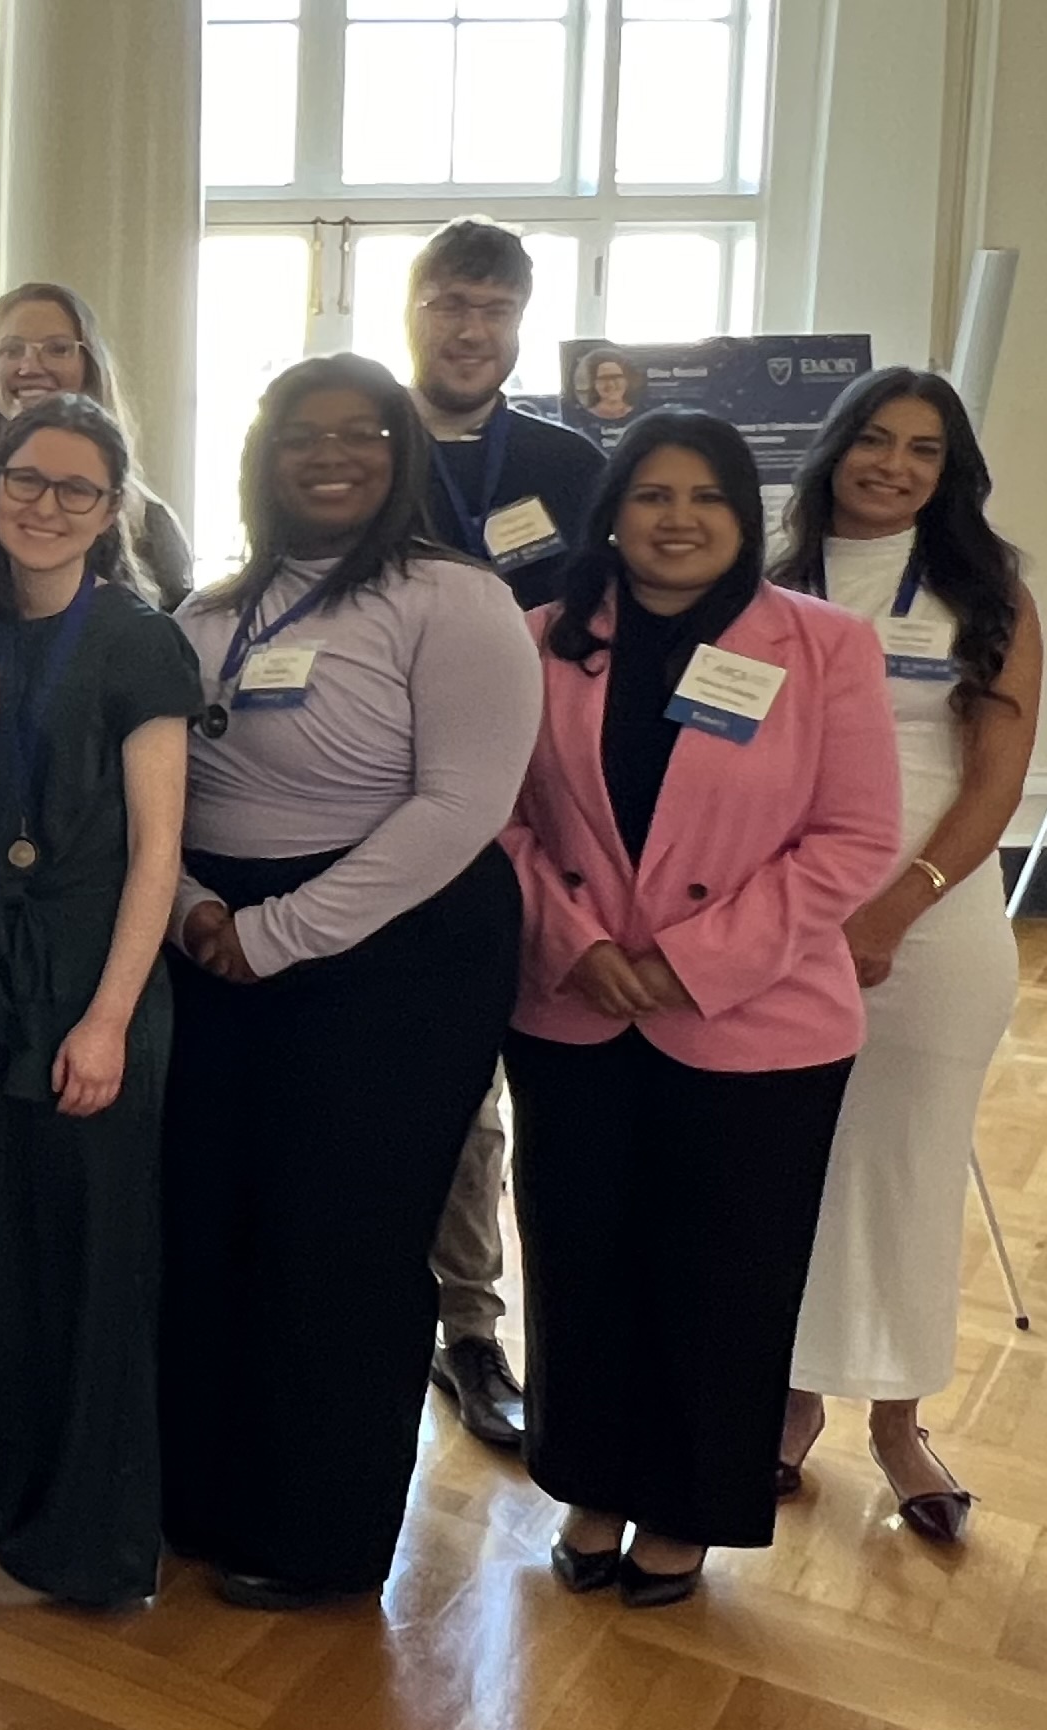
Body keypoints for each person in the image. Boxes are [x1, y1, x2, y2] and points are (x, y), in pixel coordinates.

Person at [159, 354, 540, 1611]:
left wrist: (277, 932)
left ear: (398, 454)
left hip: (395, 951)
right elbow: (154, 795)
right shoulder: (210, 610)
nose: (327, 454)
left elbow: (461, 807)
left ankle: (317, 1535)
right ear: (261, 457)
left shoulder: (453, 598)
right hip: (214, 942)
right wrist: (193, 908)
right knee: (213, 1225)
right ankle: (202, 1498)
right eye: (298, 433)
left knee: (340, 1240)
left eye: (358, 432)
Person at [503, 410, 902, 1607]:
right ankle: (589, 1482)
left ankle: (684, 1503)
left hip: (755, 1021)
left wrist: (690, 960)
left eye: (704, 498)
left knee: (722, 1274)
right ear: (610, 512)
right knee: (578, 1258)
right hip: (574, 1009)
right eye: (649, 495)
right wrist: (573, 941)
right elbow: (499, 819)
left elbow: (852, 838)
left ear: (744, 515)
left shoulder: (822, 644)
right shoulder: (539, 638)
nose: (675, 519)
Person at [0, 396, 198, 1612]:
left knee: (93, 1271)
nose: (43, 505)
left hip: (95, 981)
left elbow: (157, 851)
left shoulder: (137, 641)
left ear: (111, 509)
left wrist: (105, 1019)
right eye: (24, 480)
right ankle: (15, 1523)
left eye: (74, 489)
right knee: (5, 1255)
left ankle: (90, 1554)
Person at [775, 370, 1042, 1543]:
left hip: (931, 924)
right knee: (794, 1168)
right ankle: (789, 1406)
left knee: (909, 1172)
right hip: (785, 922)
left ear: (949, 471)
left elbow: (993, 782)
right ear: (833, 447)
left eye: (921, 449)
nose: (891, 465)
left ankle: (898, 1422)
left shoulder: (986, 592)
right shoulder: (772, 581)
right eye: (873, 439)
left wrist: (891, 911)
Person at [397, 218, 611, 1455]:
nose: (468, 328)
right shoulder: (361, 440)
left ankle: (492, 1334)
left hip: (553, 802)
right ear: (411, 310)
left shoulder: (566, 464)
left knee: (546, 1081)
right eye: (447, 302)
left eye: (491, 307)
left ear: (520, 321)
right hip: (404, 797)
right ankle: (456, 1321)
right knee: (450, 1085)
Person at [0, 283, 196, 619]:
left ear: (91, 367)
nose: (30, 366)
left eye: (58, 349)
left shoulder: (150, 525)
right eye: (11, 349)